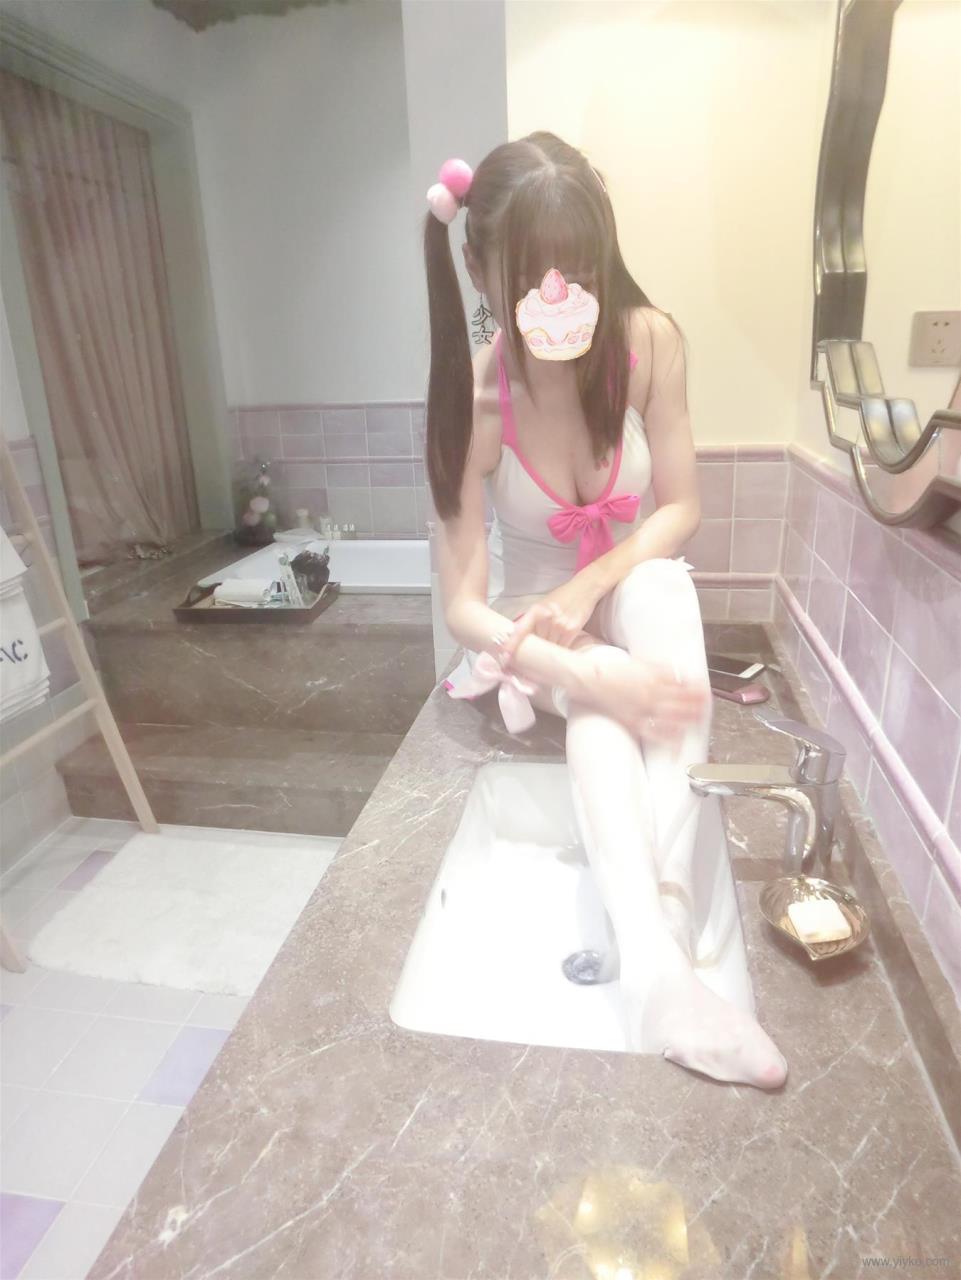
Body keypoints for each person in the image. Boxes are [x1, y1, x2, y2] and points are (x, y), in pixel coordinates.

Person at [423, 132, 787, 1091]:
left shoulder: (648, 342)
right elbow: (462, 606)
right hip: (526, 630)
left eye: (578, 272)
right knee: (598, 699)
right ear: (479, 271)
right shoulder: (475, 398)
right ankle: (662, 975)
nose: (558, 296)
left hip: (617, 593)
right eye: (529, 277)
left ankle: (659, 912)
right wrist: (578, 663)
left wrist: (590, 590)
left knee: (661, 586)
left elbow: (680, 508)